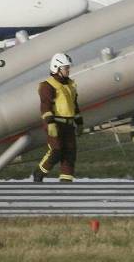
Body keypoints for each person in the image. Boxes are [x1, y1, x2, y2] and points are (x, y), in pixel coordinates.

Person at [34, 53, 82, 182]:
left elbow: (73, 105)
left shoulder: (71, 85)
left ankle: (66, 182)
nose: (68, 70)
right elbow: (45, 106)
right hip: (55, 124)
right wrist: (50, 123)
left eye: (68, 67)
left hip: (69, 125)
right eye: (66, 67)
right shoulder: (48, 85)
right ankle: (39, 174)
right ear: (57, 68)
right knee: (56, 152)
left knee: (70, 154)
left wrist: (79, 122)